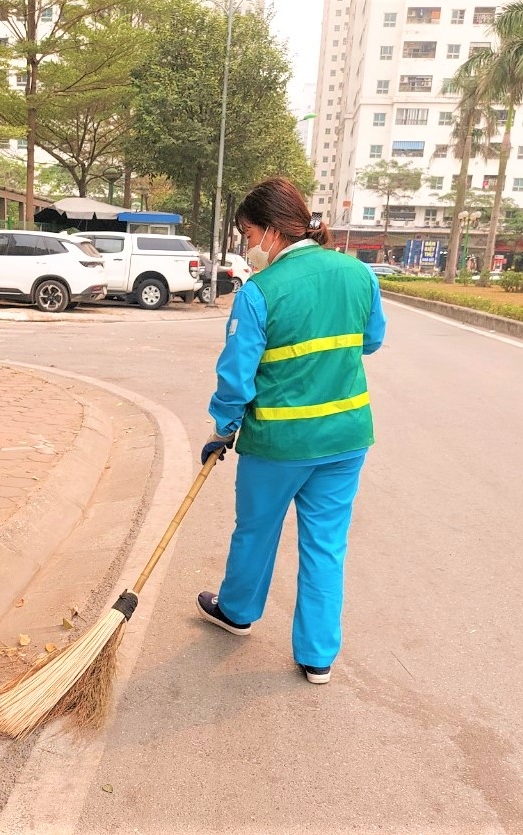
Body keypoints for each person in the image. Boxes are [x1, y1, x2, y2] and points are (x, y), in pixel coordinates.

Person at [196, 177, 386, 685]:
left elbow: (236, 377)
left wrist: (223, 427)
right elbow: (371, 341)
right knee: (326, 546)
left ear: (273, 232)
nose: (247, 245)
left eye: (247, 233)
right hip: (345, 441)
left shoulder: (259, 292)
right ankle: (318, 657)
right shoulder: (357, 273)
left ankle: (236, 612)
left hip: (278, 445)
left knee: (256, 530)